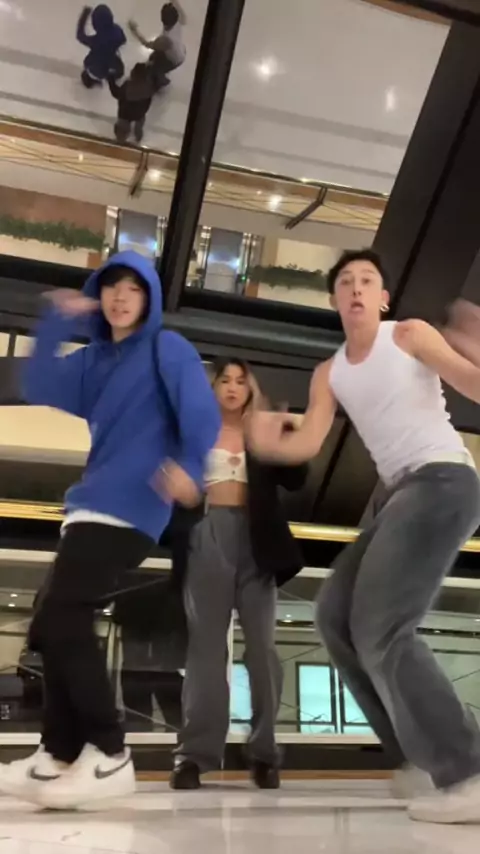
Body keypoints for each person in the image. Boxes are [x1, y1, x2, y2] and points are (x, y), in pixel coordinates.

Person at [247, 249, 480, 825]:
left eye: (367, 280)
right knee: (334, 617)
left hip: (443, 479)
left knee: (382, 625)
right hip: (397, 495)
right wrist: (270, 441)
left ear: (383, 298)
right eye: (345, 281)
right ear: (334, 300)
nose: (355, 288)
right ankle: (417, 758)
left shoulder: (409, 334)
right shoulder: (329, 372)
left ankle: (468, 770)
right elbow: (308, 442)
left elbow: (471, 383)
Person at [0, 250, 220, 810]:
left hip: (135, 502)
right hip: (89, 505)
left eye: (134, 288)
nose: (122, 297)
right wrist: (59, 320)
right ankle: (56, 756)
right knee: (51, 624)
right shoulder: (95, 361)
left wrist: (191, 469)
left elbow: (202, 414)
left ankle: (110, 751)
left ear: (150, 299)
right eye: (112, 287)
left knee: (63, 617)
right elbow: (38, 381)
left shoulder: (167, 348)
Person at [171, 358, 308, 790]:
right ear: (213, 387)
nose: (232, 387)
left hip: (257, 540)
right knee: (206, 651)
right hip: (206, 533)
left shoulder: (260, 430)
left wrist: (288, 435)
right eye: (224, 380)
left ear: (251, 389)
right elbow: (171, 481)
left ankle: (264, 753)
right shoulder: (193, 431)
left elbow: (297, 479)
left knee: (262, 650)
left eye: (240, 381)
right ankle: (194, 756)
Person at [129, 1, 187, 93]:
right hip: (181, 50)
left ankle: (162, 81)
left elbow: (146, 44)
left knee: (157, 69)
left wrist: (134, 30)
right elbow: (182, 14)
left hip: (174, 60)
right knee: (154, 58)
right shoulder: (179, 20)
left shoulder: (165, 40)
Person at [76, 5, 126, 89]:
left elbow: (80, 36)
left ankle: (91, 80)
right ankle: (114, 76)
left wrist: (84, 15)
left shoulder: (96, 41)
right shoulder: (117, 30)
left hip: (97, 67)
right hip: (113, 62)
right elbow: (123, 40)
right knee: (118, 70)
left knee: (90, 71)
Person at [108, 63, 154, 145]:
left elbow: (116, 93)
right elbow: (149, 100)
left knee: (122, 127)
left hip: (125, 113)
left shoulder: (128, 86)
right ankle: (138, 136)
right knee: (139, 125)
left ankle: (121, 139)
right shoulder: (148, 86)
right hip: (140, 113)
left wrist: (110, 79)